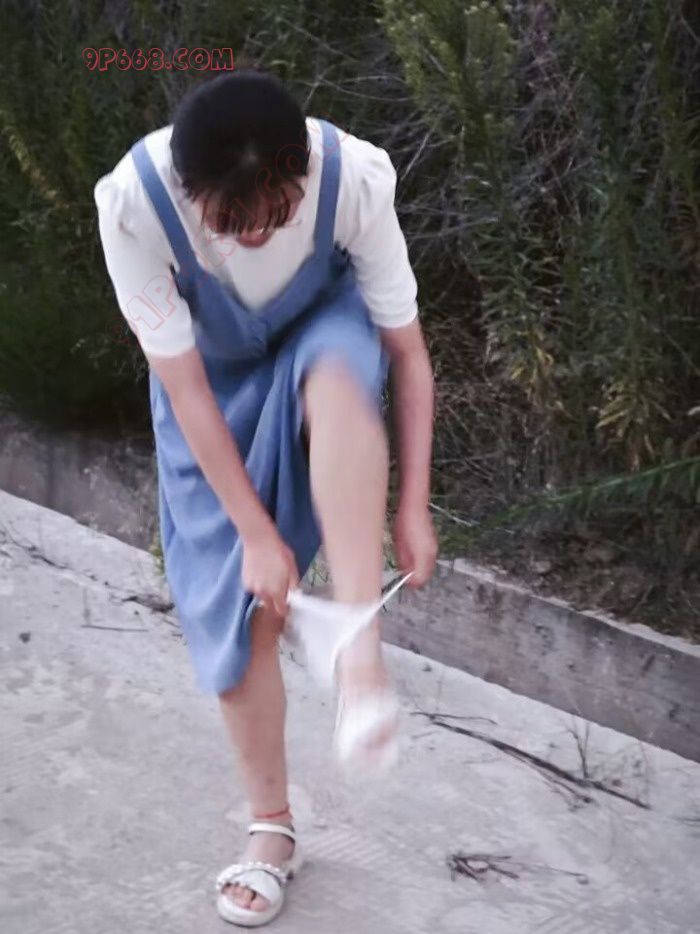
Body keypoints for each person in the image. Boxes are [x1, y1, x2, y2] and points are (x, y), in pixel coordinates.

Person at [94, 68, 437, 927]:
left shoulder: (352, 179)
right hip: (211, 388)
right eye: (229, 220)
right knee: (238, 610)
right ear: (189, 192)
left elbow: (406, 354)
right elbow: (183, 388)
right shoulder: (134, 207)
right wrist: (254, 532)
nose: (253, 232)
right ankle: (272, 829)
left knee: (338, 375)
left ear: (302, 175)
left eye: (276, 214)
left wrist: (414, 505)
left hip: (322, 340)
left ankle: (359, 649)